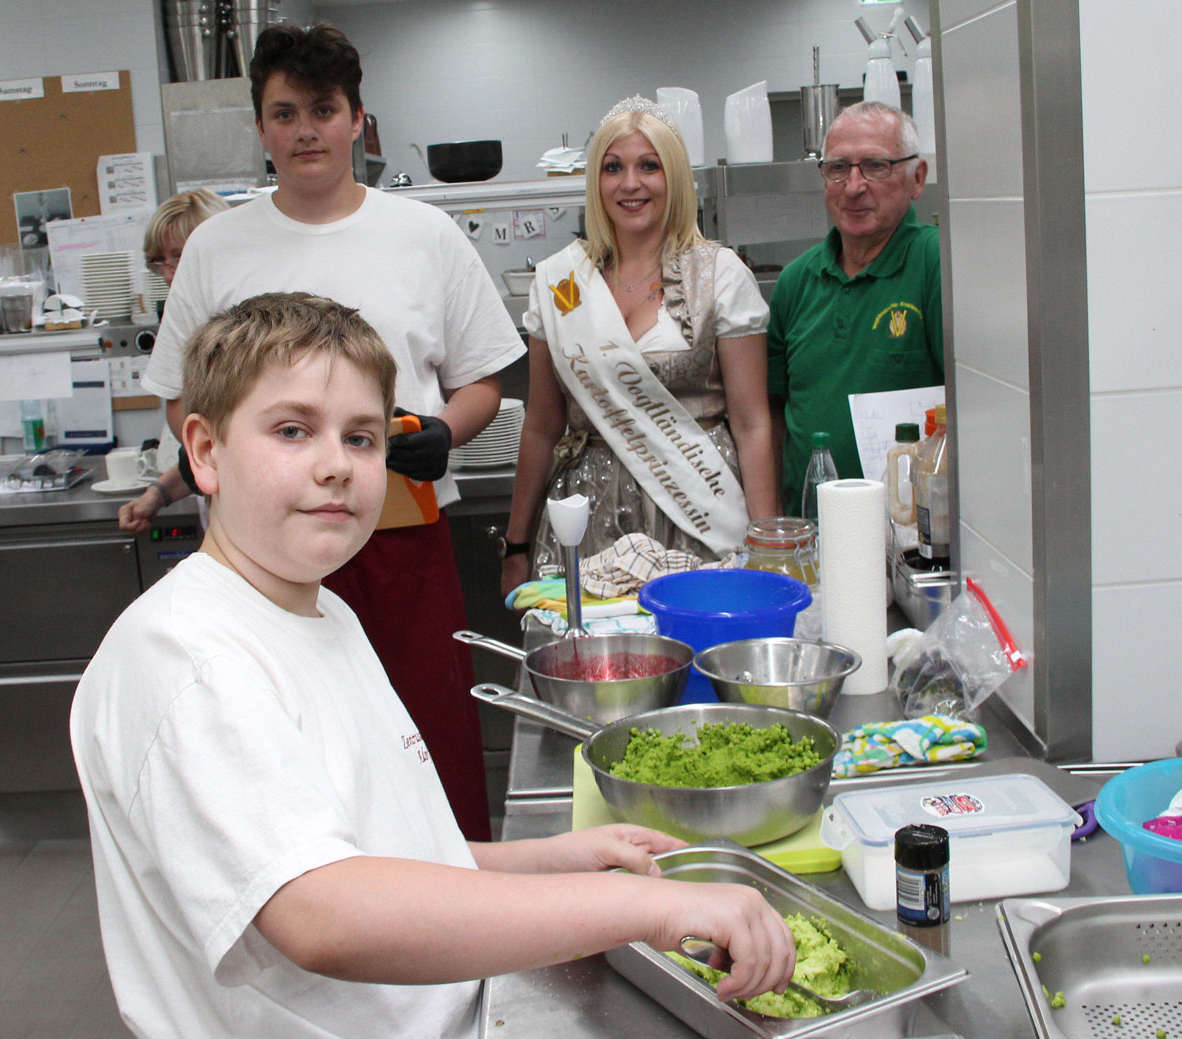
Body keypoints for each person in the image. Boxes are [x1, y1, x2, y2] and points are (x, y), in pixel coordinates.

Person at [71, 292, 795, 1039]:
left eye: (361, 438)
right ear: (204, 451)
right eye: (292, 430)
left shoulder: (317, 610)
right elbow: (321, 909)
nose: (334, 466)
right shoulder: (186, 657)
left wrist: (548, 860)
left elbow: (376, 856)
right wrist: (653, 908)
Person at [141, 23, 524, 841]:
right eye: (285, 113)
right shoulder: (217, 247)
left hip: (400, 534)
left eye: (323, 109)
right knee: (282, 748)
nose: (305, 130)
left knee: (427, 735)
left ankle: (457, 905)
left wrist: (445, 433)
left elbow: (485, 379)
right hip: (261, 553)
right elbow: (181, 401)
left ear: (358, 119)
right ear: (261, 129)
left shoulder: (423, 236)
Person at [501, 96, 778, 596]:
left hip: (699, 510)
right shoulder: (562, 282)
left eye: (649, 165)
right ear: (596, 181)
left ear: (672, 176)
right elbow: (542, 424)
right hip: (589, 514)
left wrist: (765, 546)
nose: (630, 183)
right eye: (613, 168)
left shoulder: (720, 275)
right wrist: (516, 544)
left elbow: (753, 423)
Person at [766, 101, 944, 513]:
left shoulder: (935, 263)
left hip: (909, 536)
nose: (853, 185)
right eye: (838, 168)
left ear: (917, 178)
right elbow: (773, 415)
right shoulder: (796, 281)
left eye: (876, 166)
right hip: (810, 532)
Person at [118, 188, 229, 535]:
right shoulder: (182, 325)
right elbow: (206, 443)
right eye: (160, 261)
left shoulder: (247, 329)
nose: (168, 274)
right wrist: (158, 494)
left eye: (179, 256)